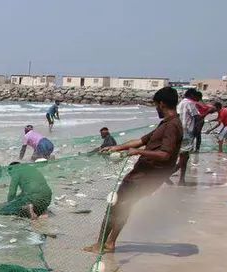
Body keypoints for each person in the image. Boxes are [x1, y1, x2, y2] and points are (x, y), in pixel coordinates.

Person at [84, 87, 182, 254]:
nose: (156, 108)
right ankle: (110, 243)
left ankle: (100, 244)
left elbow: (165, 154)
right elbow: (141, 140)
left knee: (114, 205)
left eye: (156, 105)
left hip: (143, 177)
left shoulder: (172, 126)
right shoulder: (167, 123)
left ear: (162, 104)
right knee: (125, 207)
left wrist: (138, 152)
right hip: (146, 176)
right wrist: (117, 148)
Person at [167, 88, 199, 185]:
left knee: (184, 157)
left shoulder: (180, 104)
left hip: (179, 131)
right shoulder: (190, 103)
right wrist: (207, 112)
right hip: (187, 132)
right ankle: (167, 175)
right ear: (192, 95)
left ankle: (182, 180)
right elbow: (197, 117)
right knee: (184, 158)